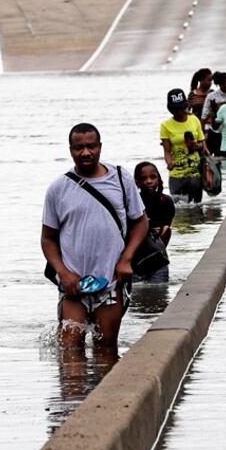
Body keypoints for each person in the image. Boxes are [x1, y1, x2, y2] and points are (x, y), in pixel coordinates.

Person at [41, 123, 149, 349]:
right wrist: (63, 272)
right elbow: (48, 238)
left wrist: (126, 259)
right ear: (70, 150)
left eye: (91, 146)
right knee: (69, 350)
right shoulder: (58, 188)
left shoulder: (121, 179)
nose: (85, 152)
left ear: (100, 147)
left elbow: (140, 222)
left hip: (111, 283)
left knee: (107, 349)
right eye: (78, 148)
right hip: (73, 286)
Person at [160, 88, 209, 203]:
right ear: (170, 109)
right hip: (176, 175)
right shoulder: (165, 126)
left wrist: (196, 146)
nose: (179, 112)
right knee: (178, 210)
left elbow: (203, 144)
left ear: (185, 105)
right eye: (175, 109)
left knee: (195, 207)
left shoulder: (194, 120)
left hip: (195, 173)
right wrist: (169, 162)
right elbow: (167, 150)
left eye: (181, 108)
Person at [133, 161, 176, 283]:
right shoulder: (133, 204)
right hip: (136, 259)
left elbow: (165, 231)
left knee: (159, 292)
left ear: (159, 179)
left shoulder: (166, 201)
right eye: (144, 178)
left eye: (153, 177)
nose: (149, 181)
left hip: (158, 258)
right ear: (137, 183)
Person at [201, 71, 226, 154]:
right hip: (215, 133)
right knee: (217, 159)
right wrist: (202, 136)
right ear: (221, 84)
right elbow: (203, 116)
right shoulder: (212, 96)